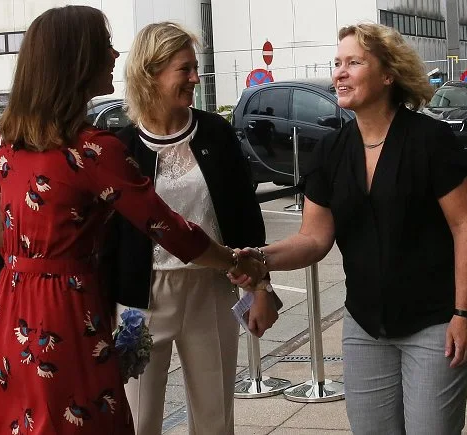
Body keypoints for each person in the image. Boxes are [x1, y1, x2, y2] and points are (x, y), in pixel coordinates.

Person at [0, 7, 266, 435]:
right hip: (67, 307)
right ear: (78, 60)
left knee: (25, 415)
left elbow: (2, 232)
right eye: (103, 45)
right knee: (83, 418)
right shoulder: (94, 150)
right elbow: (167, 228)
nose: (113, 54)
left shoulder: (9, 148)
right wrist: (239, 264)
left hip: (15, 301)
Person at [232, 23, 467, 434]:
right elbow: (313, 239)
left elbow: (465, 227)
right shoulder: (331, 150)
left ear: (388, 75)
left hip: (436, 320)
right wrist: (261, 257)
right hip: (365, 326)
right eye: (337, 63)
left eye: (354, 62)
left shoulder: (431, 141)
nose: (339, 73)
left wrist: (463, 311)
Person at [105, 22, 278, 435]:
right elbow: (106, 240)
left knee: (215, 419)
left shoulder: (215, 134)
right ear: (151, 72)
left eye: (195, 68)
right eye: (185, 70)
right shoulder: (119, 147)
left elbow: (245, 220)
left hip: (212, 291)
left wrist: (261, 288)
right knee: (139, 421)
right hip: (139, 302)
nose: (196, 79)